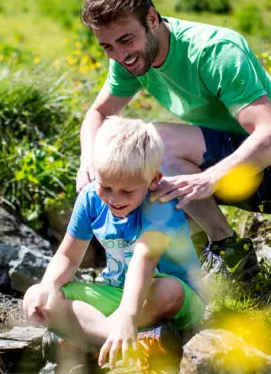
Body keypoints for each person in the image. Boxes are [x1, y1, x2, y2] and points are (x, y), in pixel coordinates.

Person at [75, 0, 271, 278]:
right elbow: (98, 114)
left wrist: (208, 180)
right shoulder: (130, 58)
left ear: (151, 19)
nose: (120, 55)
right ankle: (170, 262)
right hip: (231, 166)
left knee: (150, 140)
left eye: (125, 40)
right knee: (125, 148)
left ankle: (227, 248)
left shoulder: (214, 51)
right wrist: (89, 162)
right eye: (107, 47)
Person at [23, 117, 205, 370]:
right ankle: (125, 340)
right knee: (37, 297)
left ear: (153, 180)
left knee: (167, 289)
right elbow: (68, 257)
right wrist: (48, 285)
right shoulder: (90, 198)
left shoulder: (160, 204)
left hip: (168, 297)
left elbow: (144, 259)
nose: (114, 199)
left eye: (127, 192)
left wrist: (128, 316)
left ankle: (89, 336)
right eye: (105, 186)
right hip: (119, 295)